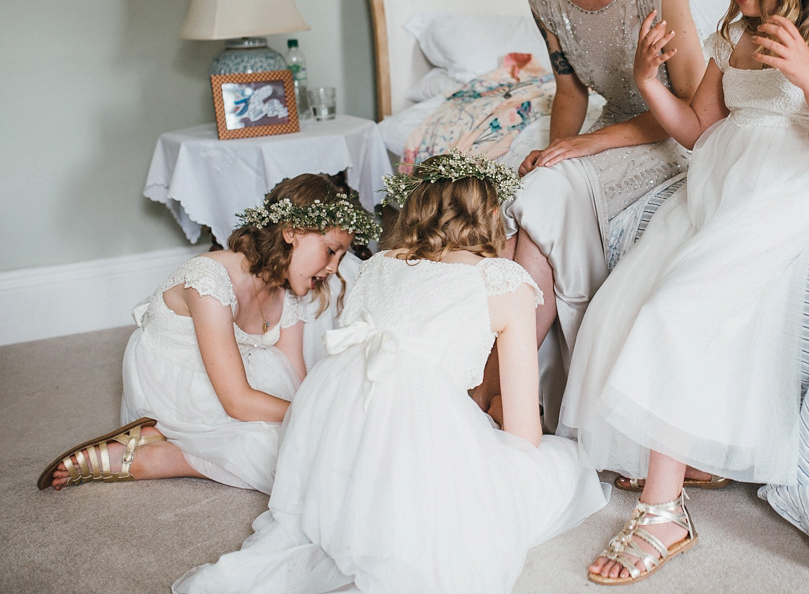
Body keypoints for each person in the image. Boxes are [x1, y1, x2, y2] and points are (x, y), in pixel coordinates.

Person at [559, 0, 809, 584]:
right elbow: (701, 131)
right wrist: (650, 81)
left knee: (681, 307)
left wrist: (806, 74)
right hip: (725, 181)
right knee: (631, 296)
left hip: (795, 182)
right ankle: (678, 452)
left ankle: (663, 511)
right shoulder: (733, 35)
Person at [173, 151, 607, 594]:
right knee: (565, 469)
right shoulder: (504, 281)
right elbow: (521, 434)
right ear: (492, 214)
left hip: (337, 432)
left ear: (416, 206)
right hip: (411, 429)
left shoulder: (379, 264)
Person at [463, 0, 708, 425]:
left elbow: (694, 106)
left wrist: (584, 150)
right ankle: (506, 397)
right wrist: (556, 153)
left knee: (540, 210)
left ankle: (493, 395)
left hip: (669, 133)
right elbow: (569, 90)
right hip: (615, 130)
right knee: (537, 203)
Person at [36, 174, 379, 493]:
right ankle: (164, 456)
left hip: (237, 373)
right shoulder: (210, 279)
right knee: (287, 462)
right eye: (331, 250)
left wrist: (320, 412)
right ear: (291, 232)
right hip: (178, 377)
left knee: (316, 442)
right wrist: (316, 415)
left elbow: (294, 377)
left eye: (341, 256)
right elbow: (238, 402)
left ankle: (169, 441)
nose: (333, 268)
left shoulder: (291, 291)